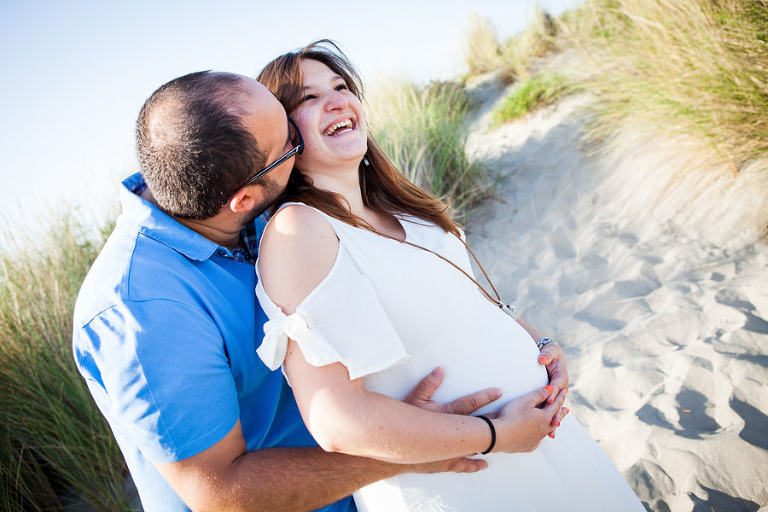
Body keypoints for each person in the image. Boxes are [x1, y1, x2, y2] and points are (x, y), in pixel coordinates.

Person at [72, 70, 566, 512]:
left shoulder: (253, 205)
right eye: (290, 141)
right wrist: (428, 450)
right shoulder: (142, 311)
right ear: (243, 197)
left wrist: (532, 341)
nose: (299, 138)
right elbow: (221, 493)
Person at [254, 40, 646, 511]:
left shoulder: (401, 206)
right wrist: (496, 435)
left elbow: (467, 302)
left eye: (340, 86)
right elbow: (336, 420)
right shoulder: (300, 228)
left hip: (543, 443)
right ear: (281, 132)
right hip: (467, 480)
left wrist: (541, 344)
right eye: (309, 98)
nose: (337, 101)